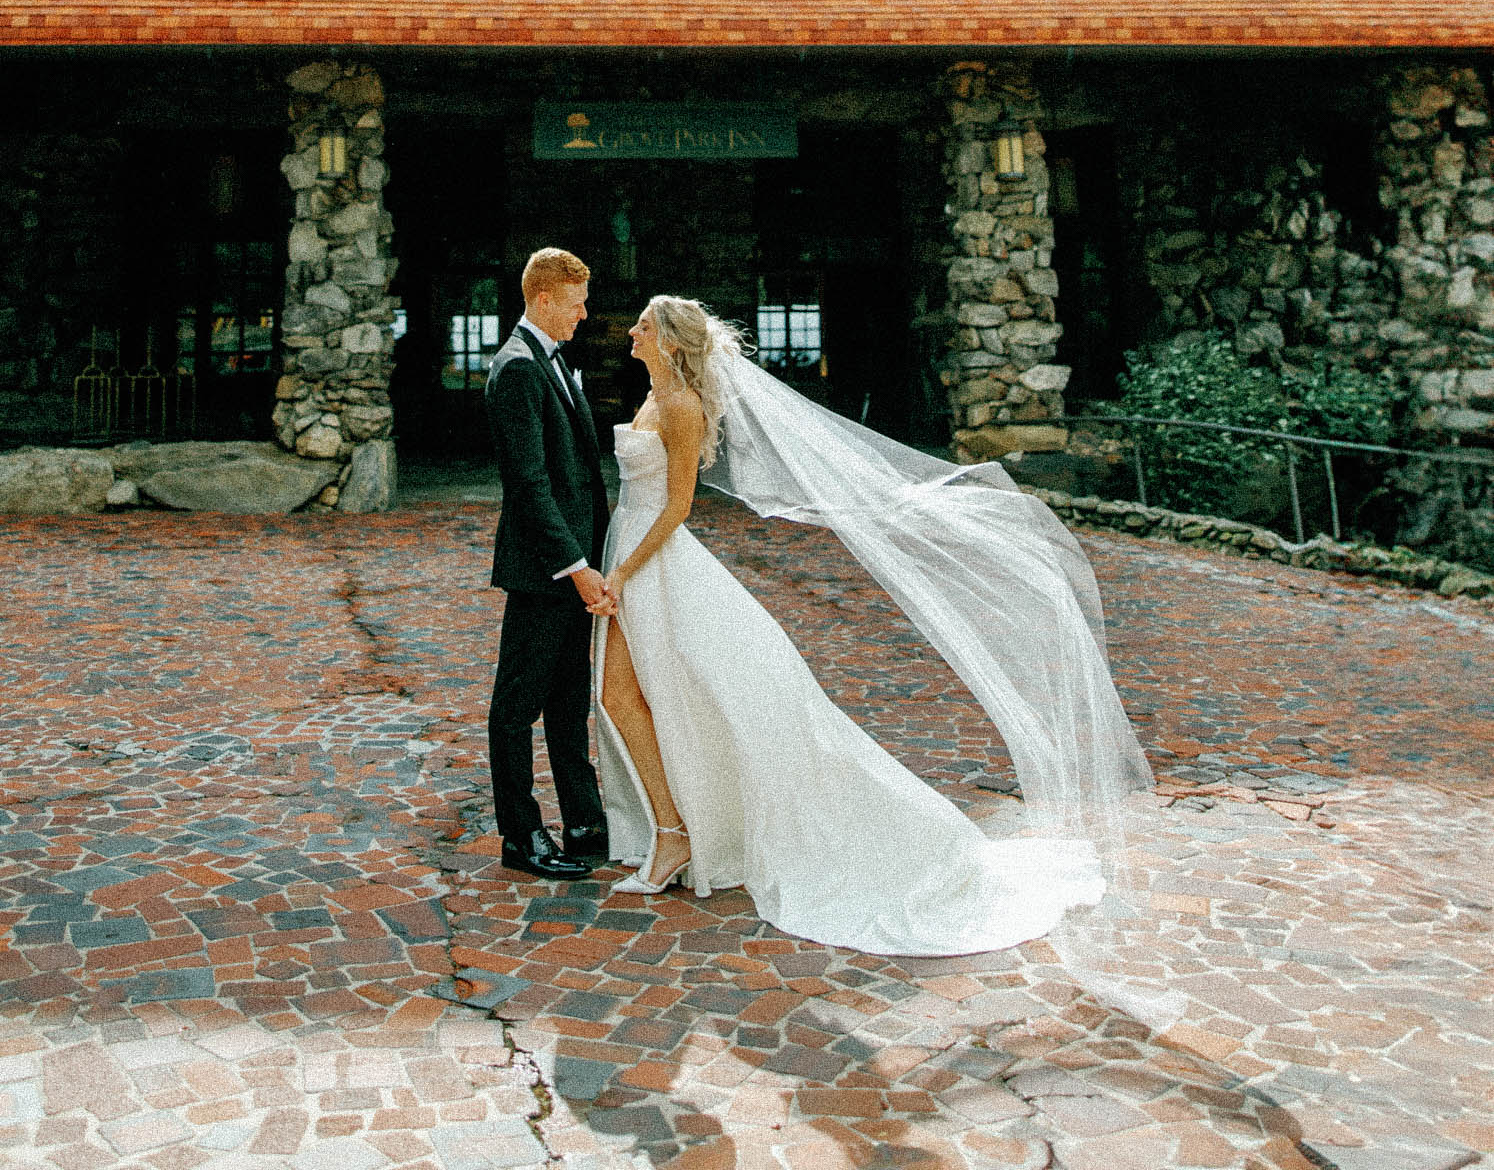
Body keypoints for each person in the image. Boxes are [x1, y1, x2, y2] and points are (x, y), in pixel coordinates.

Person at [589, 294, 1152, 956]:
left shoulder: (681, 408)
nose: (631, 331)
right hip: (630, 558)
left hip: (656, 566)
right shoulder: (653, 397)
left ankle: (677, 836)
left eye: (644, 326)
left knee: (682, 699)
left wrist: (623, 574)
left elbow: (678, 505)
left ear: (672, 341)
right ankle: (674, 829)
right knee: (625, 696)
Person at [483, 247, 612, 881]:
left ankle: (584, 821)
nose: (584, 314)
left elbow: (578, 476)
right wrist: (577, 567)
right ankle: (521, 835)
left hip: (574, 568)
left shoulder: (552, 361)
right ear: (541, 299)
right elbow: (529, 486)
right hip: (545, 573)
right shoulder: (517, 370)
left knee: (568, 703)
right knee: (516, 706)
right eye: (575, 303)